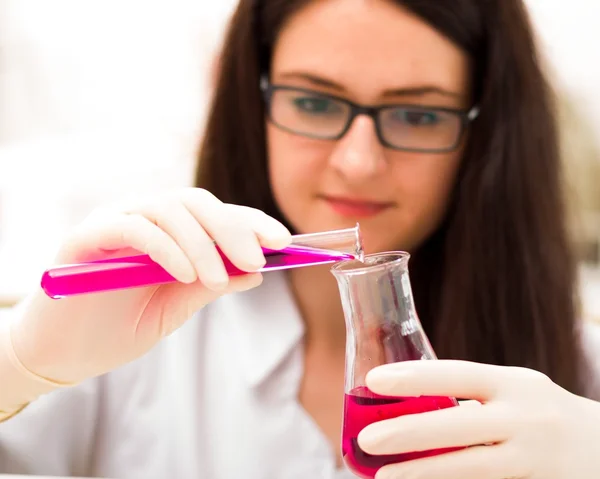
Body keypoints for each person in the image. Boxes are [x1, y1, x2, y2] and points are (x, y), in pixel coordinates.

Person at [1, 0, 600, 478]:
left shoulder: (574, 388)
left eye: (418, 115)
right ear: (251, 102)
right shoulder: (136, 345)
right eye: (314, 102)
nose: (358, 161)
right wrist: (19, 366)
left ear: (487, 136)